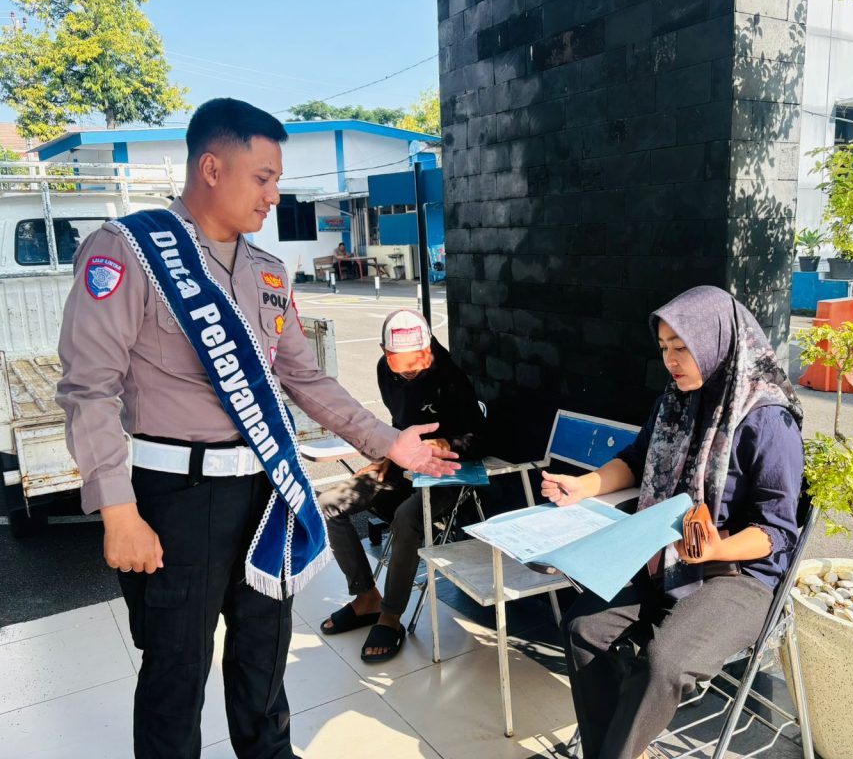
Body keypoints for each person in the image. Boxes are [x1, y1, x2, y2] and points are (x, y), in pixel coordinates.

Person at [55, 98, 458, 759]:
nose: (275, 195)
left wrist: (389, 442)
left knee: (263, 662)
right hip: (177, 500)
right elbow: (88, 387)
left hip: (267, 491)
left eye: (277, 180)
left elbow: (305, 378)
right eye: (263, 178)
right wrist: (117, 510)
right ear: (212, 168)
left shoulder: (267, 270)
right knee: (176, 672)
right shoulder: (130, 250)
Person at [540, 286, 804, 759]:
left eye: (682, 347)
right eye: (664, 348)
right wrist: (584, 486)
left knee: (664, 662)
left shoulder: (766, 420)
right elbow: (636, 460)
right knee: (582, 628)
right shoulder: (676, 401)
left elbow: (777, 531)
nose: (670, 361)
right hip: (666, 554)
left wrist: (715, 549)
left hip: (738, 575)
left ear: (717, 342)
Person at [317, 309, 487, 662]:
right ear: (384, 352)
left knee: (407, 517)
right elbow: (399, 421)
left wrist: (445, 443)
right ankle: (366, 597)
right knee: (330, 503)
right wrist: (387, 452)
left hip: (444, 470)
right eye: (401, 364)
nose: (410, 371)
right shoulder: (385, 370)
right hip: (401, 461)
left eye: (417, 362)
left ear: (429, 348)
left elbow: (478, 439)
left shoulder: (449, 377)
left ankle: (391, 616)